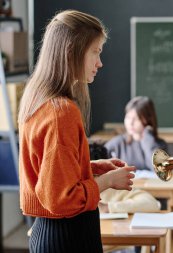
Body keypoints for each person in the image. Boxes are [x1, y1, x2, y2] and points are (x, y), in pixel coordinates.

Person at [18, 10, 135, 253]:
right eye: (96, 52)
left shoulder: (39, 100)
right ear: (72, 51)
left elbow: (51, 178)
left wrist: (90, 168)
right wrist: (108, 181)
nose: (100, 63)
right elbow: (62, 199)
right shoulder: (62, 112)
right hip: (66, 238)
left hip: (50, 234)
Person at [105, 96, 168, 173]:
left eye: (136, 118)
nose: (130, 123)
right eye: (128, 117)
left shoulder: (159, 145)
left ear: (147, 120)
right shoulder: (117, 143)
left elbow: (159, 170)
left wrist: (147, 137)